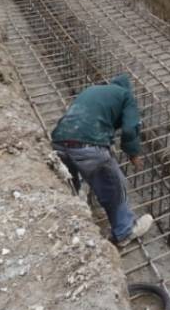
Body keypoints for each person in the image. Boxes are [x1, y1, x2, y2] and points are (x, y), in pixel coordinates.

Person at [51, 74, 154, 246]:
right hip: (88, 146)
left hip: (59, 140)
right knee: (114, 185)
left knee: (72, 183)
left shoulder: (93, 90)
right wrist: (133, 154)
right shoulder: (126, 96)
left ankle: (78, 207)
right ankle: (125, 231)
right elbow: (130, 129)